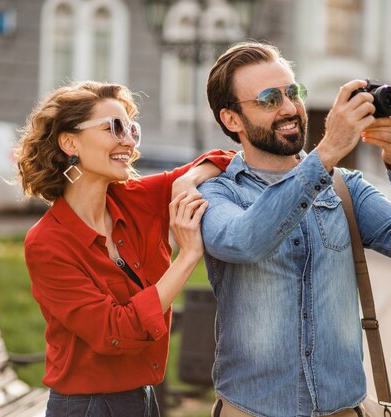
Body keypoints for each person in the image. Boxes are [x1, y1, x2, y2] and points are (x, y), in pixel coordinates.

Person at [198, 41, 391, 417]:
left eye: (292, 92)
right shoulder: (217, 193)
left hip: (344, 410)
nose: (288, 108)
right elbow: (244, 242)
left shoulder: (345, 187)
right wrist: (326, 152)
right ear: (231, 119)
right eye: (268, 99)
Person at [15, 80, 233, 417]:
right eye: (114, 128)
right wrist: (188, 256)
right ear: (70, 142)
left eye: (132, 129)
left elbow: (228, 159)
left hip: (143, 397)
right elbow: (114, 333)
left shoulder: (137, 198)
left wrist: (186, 181)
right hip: (86, 406)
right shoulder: (46, 244)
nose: (128, 140)